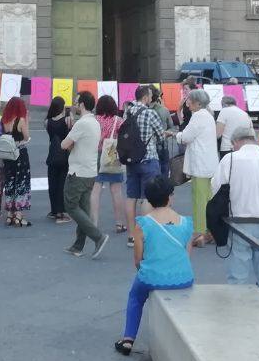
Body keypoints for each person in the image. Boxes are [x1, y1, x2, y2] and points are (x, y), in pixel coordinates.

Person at [114, 175, 194, 356]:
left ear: (149, 199)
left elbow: (138, 260)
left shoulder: (143, 224)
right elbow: (187, 255)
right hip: (183, 277)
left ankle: (128, 339)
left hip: (152, 277)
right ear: (170, 196)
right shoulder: (185, 222)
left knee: (135, 297)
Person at [215, 124, 259, 296]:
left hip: (239, 222)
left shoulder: (229, 160)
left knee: (237, 276)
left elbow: (216, 190)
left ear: (236, 141)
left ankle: (238, 313)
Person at [62, 91, 108, 258]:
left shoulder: (81, 124)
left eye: (76, 102)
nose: (74, 104)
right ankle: (78, 245)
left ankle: (98, 236)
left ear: (81, 104)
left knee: (71, 206)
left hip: (78, 171)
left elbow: (64, 144)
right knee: (83, 209)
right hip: (90, 171)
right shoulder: (94, 122)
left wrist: (68, 140)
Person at [175, 89, 219, 246]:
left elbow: (186, 136)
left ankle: (200, 232)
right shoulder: (207, 115)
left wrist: (176, 135)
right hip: (208, 163)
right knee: (207, 198)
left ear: (198, 103)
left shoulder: (198, 116)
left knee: (199, 199)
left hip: (200, 164)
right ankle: (211, 230)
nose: (187, 103)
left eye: (190, 101)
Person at [124, 85, 169, 228]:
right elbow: (161, 135)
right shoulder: (150, 113)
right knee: (147, 197)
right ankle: (144, 232)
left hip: (131, 159)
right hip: (148, 158)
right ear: (145, 97)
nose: (151, 98)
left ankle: (131, 235)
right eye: (150, 95)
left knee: (131, 197)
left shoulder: (128, 112)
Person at [92, 94, 131, 235]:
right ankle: (119, 223)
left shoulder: (94, 120)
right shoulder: (119, 121)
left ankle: (94, 223)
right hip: (112, 155)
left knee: (95, 190)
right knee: (116, 191)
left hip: (96, 155)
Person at [0, 96, 32, 227]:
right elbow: (26, 136)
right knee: (21, 182)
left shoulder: (4, 120)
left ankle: (9, 214)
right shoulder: (21, 120)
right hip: (19, 154)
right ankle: (18, 214)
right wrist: (27, 120)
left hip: (8, 155)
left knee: (10, 182)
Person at [44, 96, 71, 223]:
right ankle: (61, 212)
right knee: (62, 184)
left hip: (52, 154)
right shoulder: (67, 120)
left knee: (52, 183)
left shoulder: (47, 121)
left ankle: (54, 210)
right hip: (64, 155)